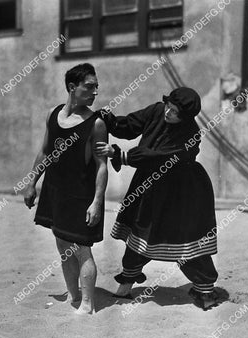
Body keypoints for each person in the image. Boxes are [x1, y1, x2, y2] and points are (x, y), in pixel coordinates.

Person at [95, 87, 219, 310]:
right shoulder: (157, 110)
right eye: (169, 107)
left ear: (185, 118)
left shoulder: (191, 133)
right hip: (149, 185)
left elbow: (161, 157)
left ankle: (205, 291)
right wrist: (110, 121)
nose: (168, 113)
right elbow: (131, 125)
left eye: (175, 113)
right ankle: (126, 285)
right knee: (140, 231)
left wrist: (120, 155)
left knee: (185, 240)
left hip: (182, 191)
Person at [24, 63, 108, 315]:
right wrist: (31, 183)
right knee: (62, 244)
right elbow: (44, 151)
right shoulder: (53, 114)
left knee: (82, 248)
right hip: (55, 189)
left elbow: (102, 166)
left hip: (81, 194)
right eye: (89, 86)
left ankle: (87, 304)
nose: (95, 92)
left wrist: (96, 202)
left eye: (96, 87)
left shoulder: (96, 124)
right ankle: (73, 295)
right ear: (72, 87)